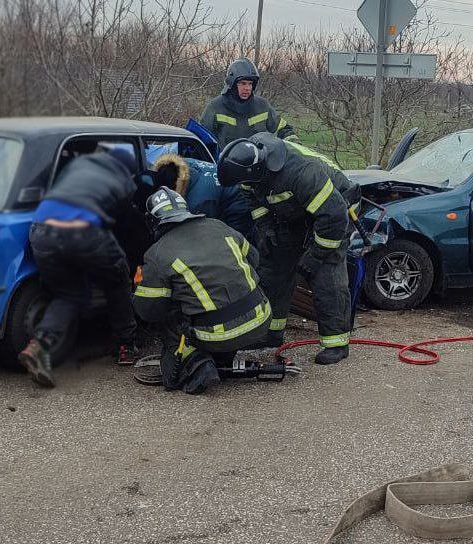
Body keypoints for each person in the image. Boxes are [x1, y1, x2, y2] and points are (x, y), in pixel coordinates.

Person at [217, 132, 358, 365]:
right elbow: (254, 200)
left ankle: (336, 343)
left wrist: (315, 255)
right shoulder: (250, 170)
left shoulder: (301, 172)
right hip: (296, 214)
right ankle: (271, 334)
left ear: (258, 171)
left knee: (326, 275)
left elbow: (333, 219)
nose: (245, 186)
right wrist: (266, 228)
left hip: (335, 213)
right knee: (273, 270)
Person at [18, 149, 140, 387]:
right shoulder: (125, 182)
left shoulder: (79, 164)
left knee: (69, 294)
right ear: (129, 169)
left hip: (40, 229)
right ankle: (125, 345)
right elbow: (125, 226)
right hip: (82, 232)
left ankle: (39, 346)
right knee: (117, 278)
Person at [132, 188, 271, 394]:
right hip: (260, 319)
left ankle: (196, 363)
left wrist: (138, 285)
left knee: (169, 317)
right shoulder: (219, 227)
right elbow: (254, 260)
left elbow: (149, 311)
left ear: (152, 221)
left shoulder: (157, 253)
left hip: (218, 335)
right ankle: (223, 354)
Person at [199, 57, 297, 149]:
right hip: (225, 164)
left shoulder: (262, 106)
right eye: (242, 83)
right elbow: (201, 139)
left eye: (250, 84)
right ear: (232, 84)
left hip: (258, 163)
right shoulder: (215, 107)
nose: (247, 88)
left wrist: (297, 148)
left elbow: (284, 129)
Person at [150, 153, 253, 238]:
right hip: (221, 189)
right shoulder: (176, 165)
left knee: (229, 241)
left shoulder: (199, 201)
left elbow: (203, 229)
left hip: (236, 205)